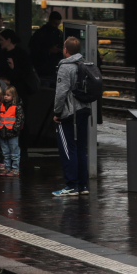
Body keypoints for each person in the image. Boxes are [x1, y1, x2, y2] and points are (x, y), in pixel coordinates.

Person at [51, 36, 90, 197]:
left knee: (68, 150)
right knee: (81, 149)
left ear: (65, 50)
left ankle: (71, 185)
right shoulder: (84, 64)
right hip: (83, 111)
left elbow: (61, 94)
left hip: (69, 113)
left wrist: (57, 113)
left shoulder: (65, 67)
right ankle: (83, 185)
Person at [29, 10, 66, 83]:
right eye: (55, 24)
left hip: (54, 68)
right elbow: (33, 50)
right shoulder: (40, 34)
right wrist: (48, 51)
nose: (56, 26)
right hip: (42, 69)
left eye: (58, 24)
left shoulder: (59, 33)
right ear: (50, 21)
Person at [0, 28, 37, 93]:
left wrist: (13, 68)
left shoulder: (21, 54)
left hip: (18, 89)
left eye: (2, 40)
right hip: (2, 88)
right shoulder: (1, 54)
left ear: (9, 40)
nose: (0, 42)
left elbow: (26, 73)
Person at [0, 87, 22, 176]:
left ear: (13, 96)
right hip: (2, 132)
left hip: (12, 133)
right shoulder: (1, 106)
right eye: (5, 95)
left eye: (8, 95)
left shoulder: (17, 107)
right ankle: (7, 168)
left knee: (14, 152)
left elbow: (20, 119)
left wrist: (15, 129)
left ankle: (15, 169)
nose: (6, 97)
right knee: (5, 152)